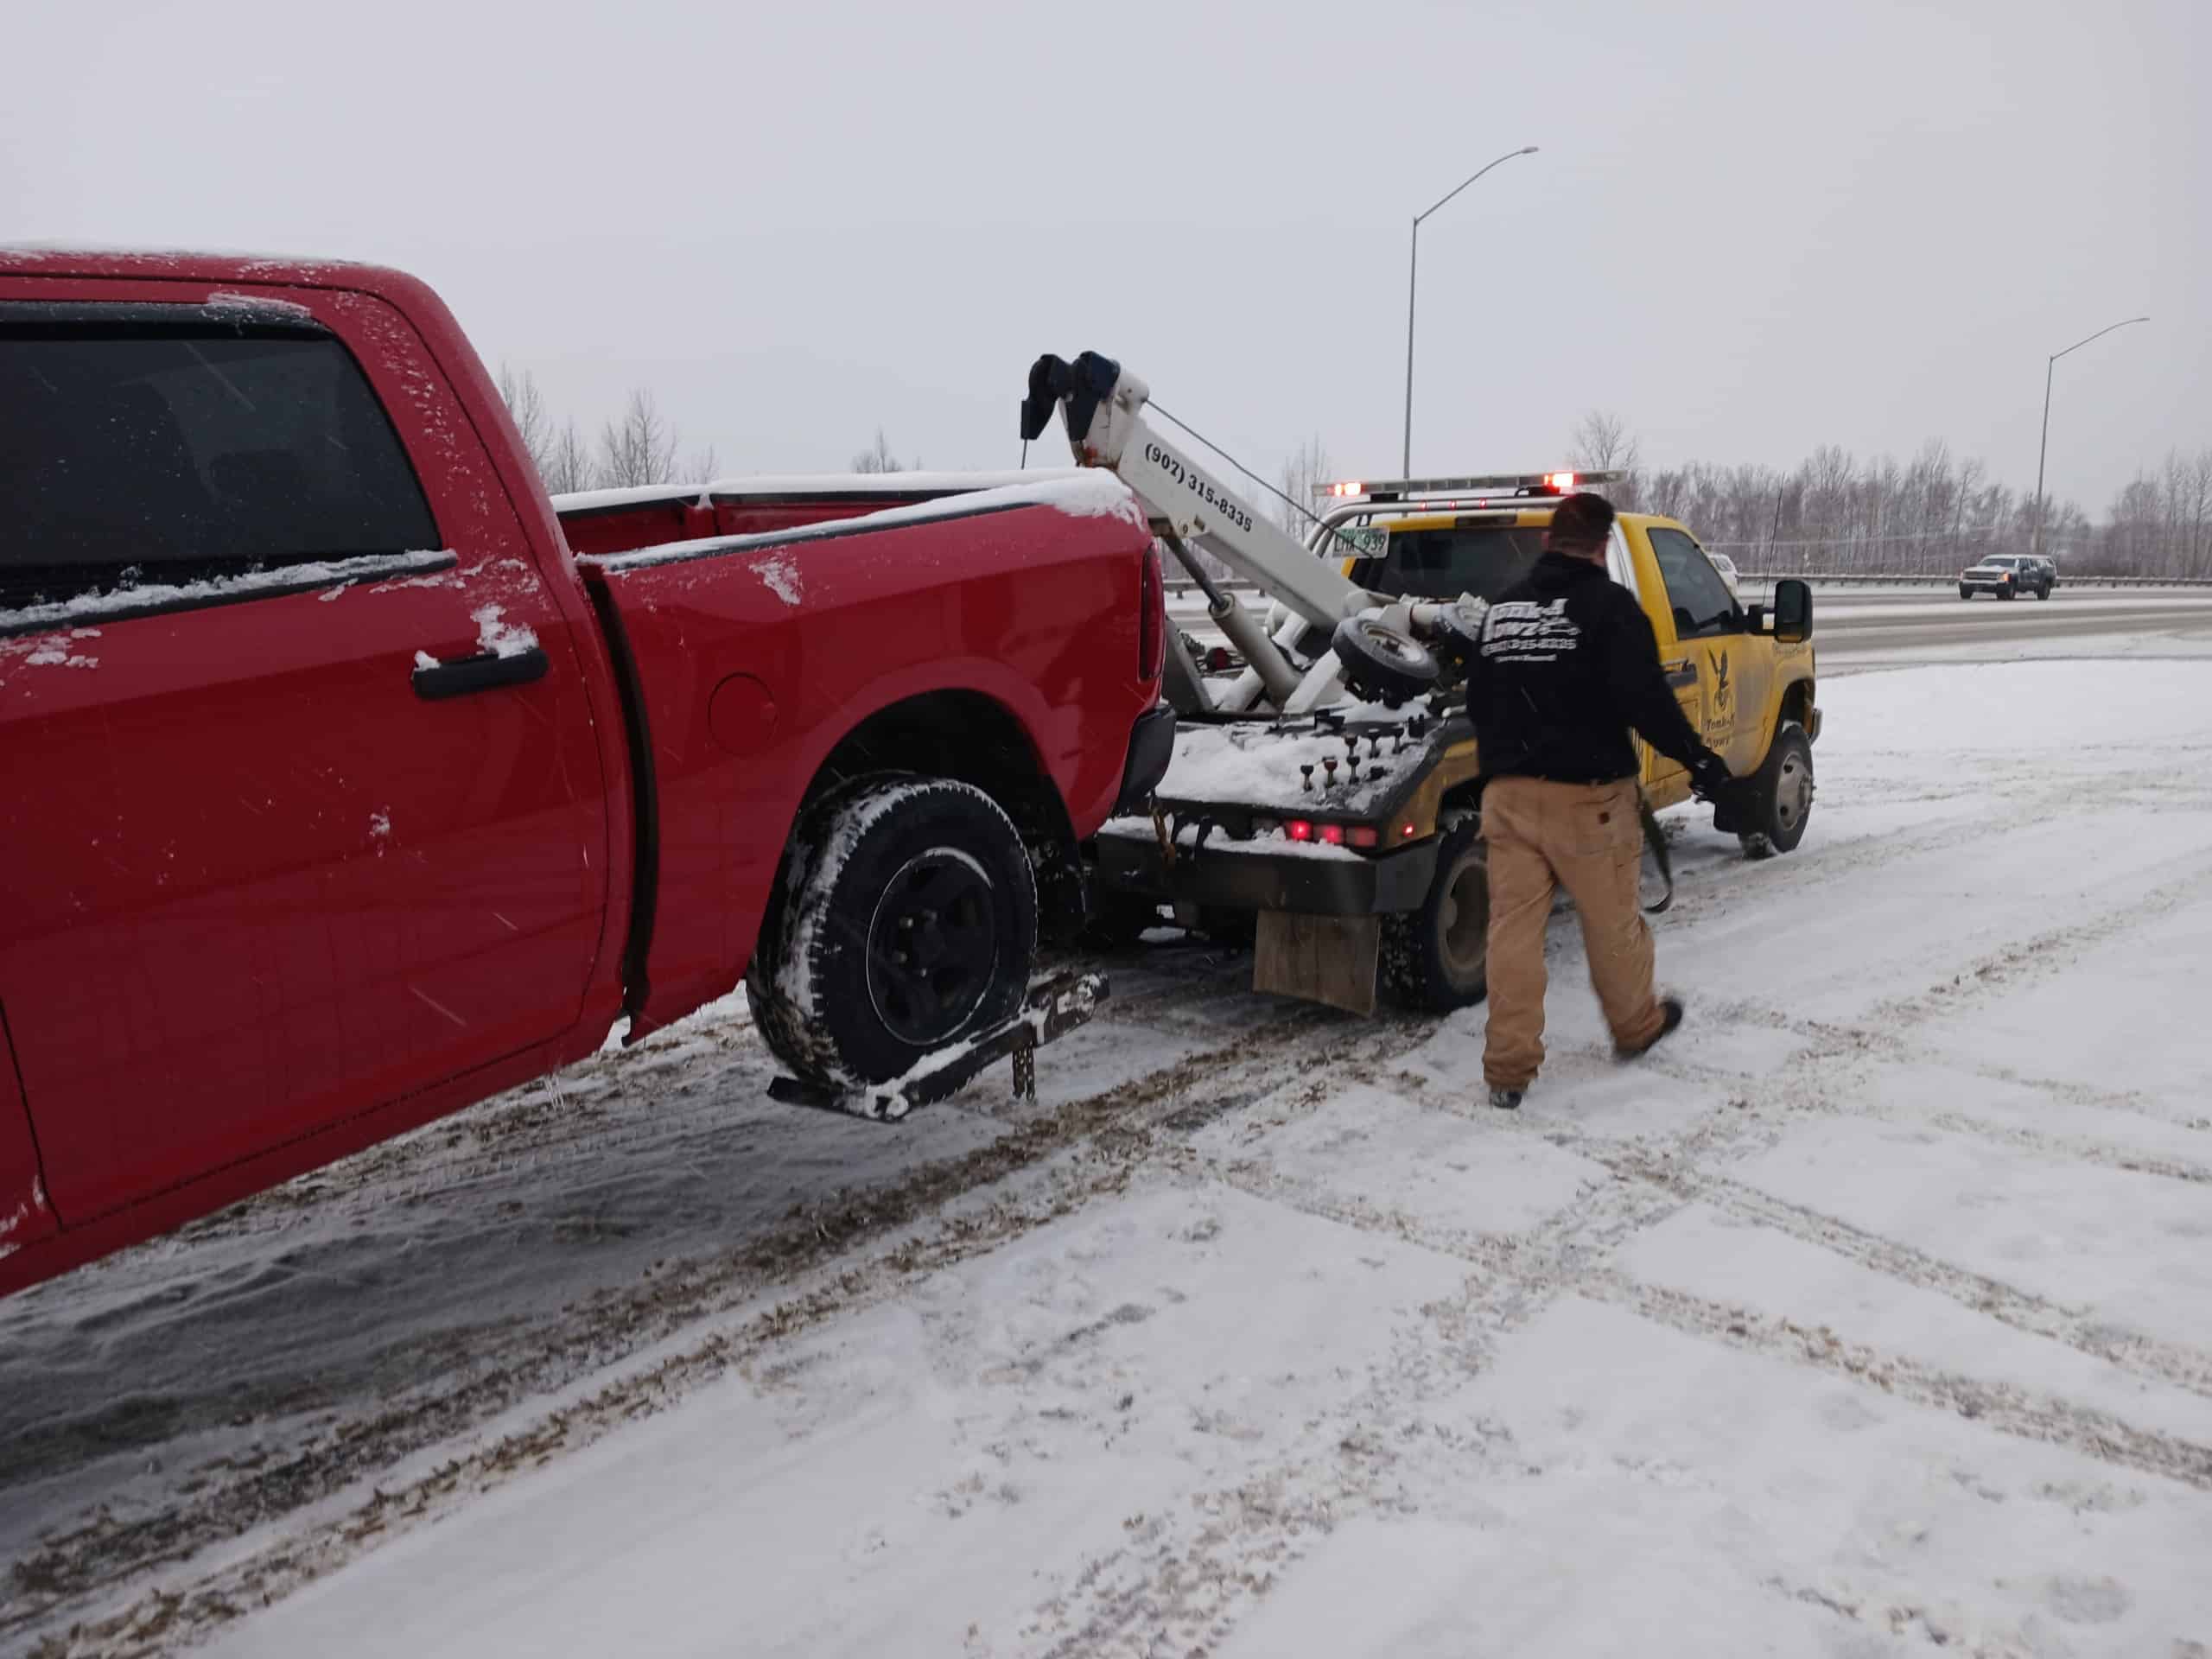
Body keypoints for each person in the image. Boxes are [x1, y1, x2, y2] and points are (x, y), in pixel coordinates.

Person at [1462, 492, 1740, 1109]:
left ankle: (1508, 1068)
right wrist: (1702, 765)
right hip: (1588, 800)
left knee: (1512, 936)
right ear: (1602, 544)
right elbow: (1648, 703)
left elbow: (1478, 703)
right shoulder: (1610, 608)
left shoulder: (1502, 611)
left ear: (1547, 541)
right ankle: (1635, 1026)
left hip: (1507, 797)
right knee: (1612, 925)